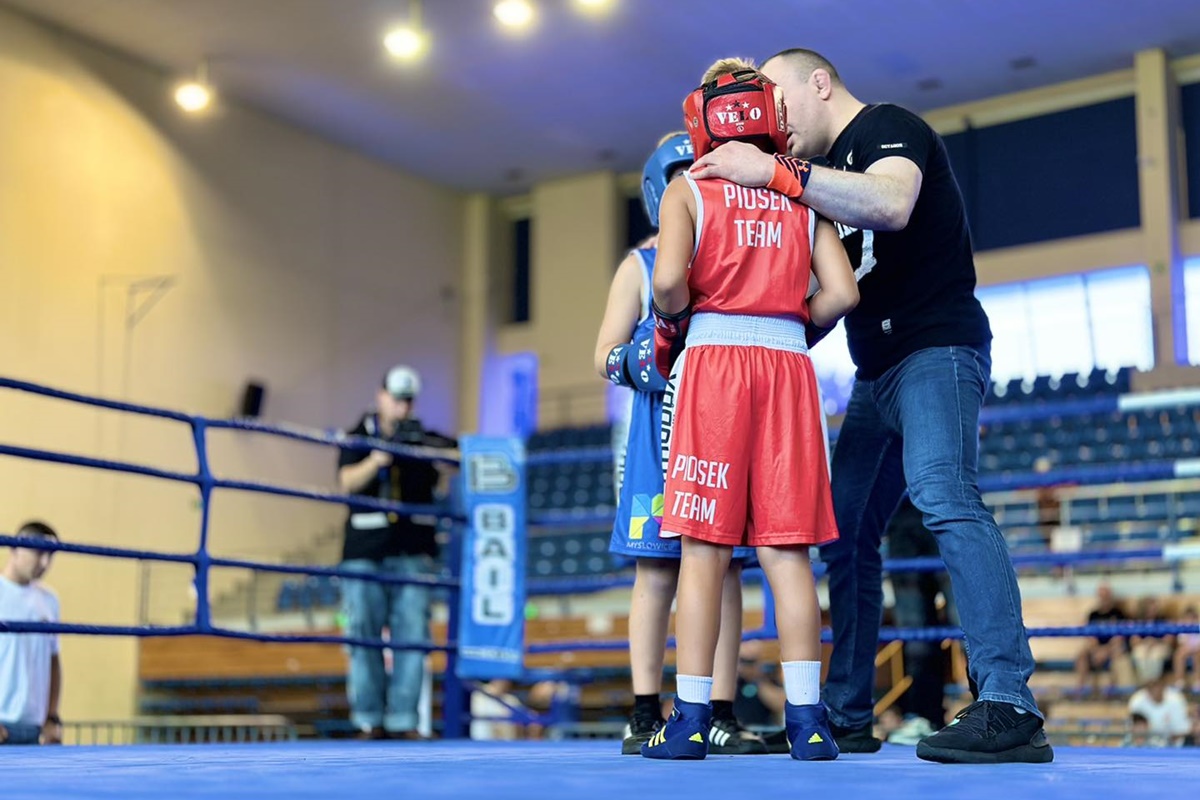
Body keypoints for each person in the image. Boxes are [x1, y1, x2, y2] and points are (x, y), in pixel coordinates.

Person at [690, 47, 1052, 764]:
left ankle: (1009, 700)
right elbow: (824, 299)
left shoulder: (889, 126)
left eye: (780, 98)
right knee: (842, 531)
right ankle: (849, 713)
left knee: (945, 495)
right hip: (874, 372)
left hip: (936, 351)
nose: (773, 116)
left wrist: (774, 173)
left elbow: (891, 202)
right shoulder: (811, 186)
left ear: (820, 83)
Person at [641, 59, 858, 761]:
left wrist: (677, 324)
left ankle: (692, 720)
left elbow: (670, 281)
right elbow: (844, 293)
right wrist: (792, 325)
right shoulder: (798, 189)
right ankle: (810, 723)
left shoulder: (690, 186)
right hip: (789, 368)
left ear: (704, 115)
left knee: (704, 551)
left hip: (715, 366)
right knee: (787, 552)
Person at [594, 132, 766, 756]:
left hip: (723, 430)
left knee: (723, 573)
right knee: (656, 570)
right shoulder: (640, 268)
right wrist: (647, 352)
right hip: (656, 438)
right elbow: (603, 358)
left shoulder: (733, 260)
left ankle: (718, 709)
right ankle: (644, 712)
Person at [336, 366, 456, 740]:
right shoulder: (356, 437)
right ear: (380, 395)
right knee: (362, 634)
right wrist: (378, 458)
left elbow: (459, 456)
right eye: (396, 397)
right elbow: (345, 483)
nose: (401, 406)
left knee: (412, 635)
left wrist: (422, 451)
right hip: (364, 550)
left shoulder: (422, 436)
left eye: (408, 400)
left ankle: (404, 721)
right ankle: (369, 719)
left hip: (413, 551)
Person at [886, 494, 959, 738]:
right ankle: (926, 717)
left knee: (968, 624)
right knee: (915, 632)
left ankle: (990, 710)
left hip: (947, 508)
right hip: (902, 518)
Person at [0, 521, 63, 746]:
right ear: (15, 549)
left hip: (35, 728)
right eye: (39, 553)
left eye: (51, 555)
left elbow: (53, 661)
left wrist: (52, 716)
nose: (45, 563)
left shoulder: (50, 600)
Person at [1075, 584, 1130, 694]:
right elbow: (1090, 636)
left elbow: (1119, 637)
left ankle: (1113, 692)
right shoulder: (1093, 614)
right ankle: (1080, 689)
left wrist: (1105, 651)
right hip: (1097, 648)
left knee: (1119, 653)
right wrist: (1096, 650)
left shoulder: (1119, 613)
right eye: (1101, 596)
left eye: (1106, 596)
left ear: (1110, 597)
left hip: (1113, 648)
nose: (1103, 599)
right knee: (1082, 655)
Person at [1127, 675, 1191, 747]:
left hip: (1172, 747)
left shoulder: (1176, 700)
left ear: (1163, 685)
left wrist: (1164, 741)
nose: (1155, 689)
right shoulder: (1137, 701)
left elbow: (1182, 730)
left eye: (1157, 685)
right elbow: (1133, 729)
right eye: (1151, 686)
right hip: (1144, 745)